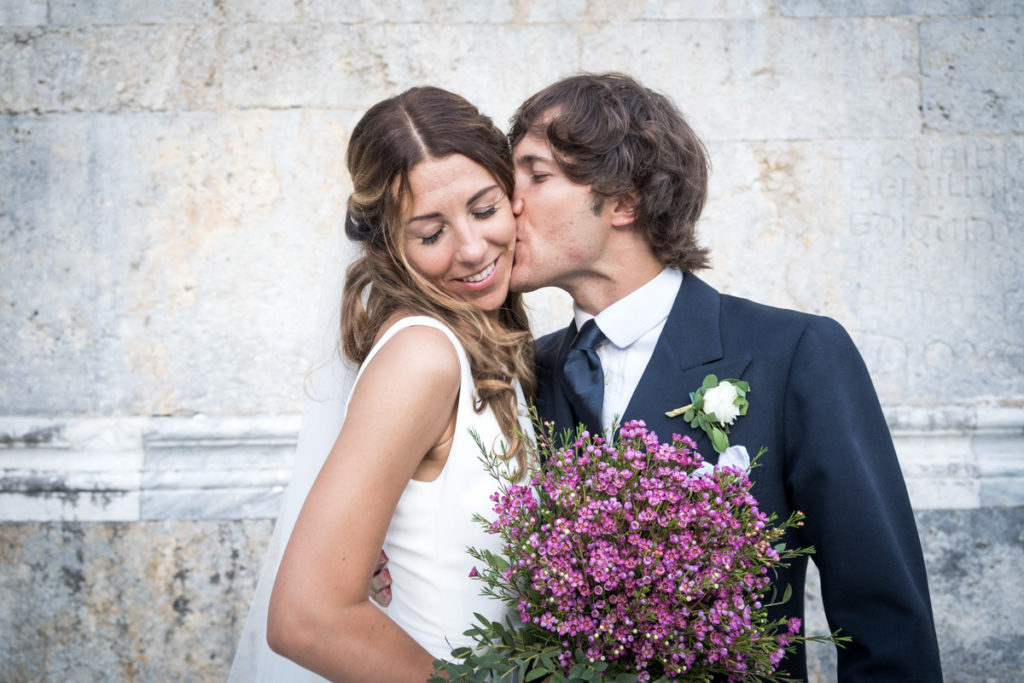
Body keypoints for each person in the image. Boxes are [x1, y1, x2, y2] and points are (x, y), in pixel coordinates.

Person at [506, 72, 944, 680]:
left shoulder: (795, 353)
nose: (509, 201)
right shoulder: (519, 372)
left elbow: (885, 624)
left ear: (624, 200)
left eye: (536, 173)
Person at [229, 86, 535, 682]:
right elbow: (305, 618)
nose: (472, 249)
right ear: (390, 246)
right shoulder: (424, 356)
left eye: (484, 209)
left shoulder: (478, 347)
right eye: (430, 234)